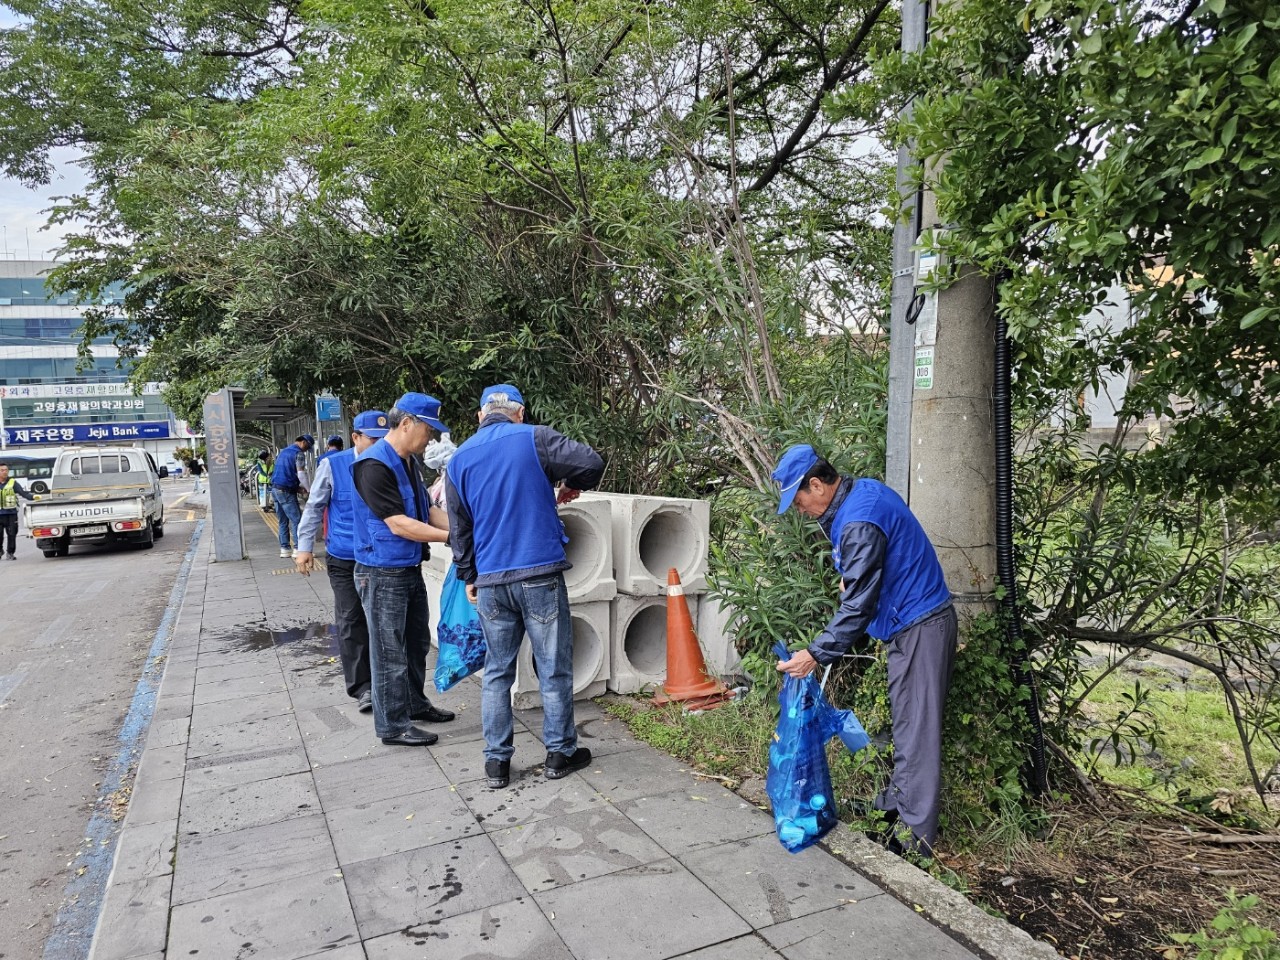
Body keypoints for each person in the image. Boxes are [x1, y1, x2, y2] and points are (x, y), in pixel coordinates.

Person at [772, 443, 957, 858]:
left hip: (920, 627)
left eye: (798, 499)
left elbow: (859, 606)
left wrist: (815, 653)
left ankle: (913, 844)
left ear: (816, 485)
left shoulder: (856, 519)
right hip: (914, 624)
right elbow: (870, 572)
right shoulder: (862, 493)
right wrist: (853, 580)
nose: (799, 509)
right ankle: (893, 811)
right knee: (907, 725)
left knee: (917, 734)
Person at [445, 383, 605, 789]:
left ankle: (496, 764)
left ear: (481, 416)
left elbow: (459, 529)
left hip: (492, 582)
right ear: (519, 412)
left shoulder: (459, 458)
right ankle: (559, 753)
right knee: (553, 669)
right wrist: (569, 483)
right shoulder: (536, 437)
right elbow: (591, 462)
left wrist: (468, 575)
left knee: (498, 673)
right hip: (538, 575)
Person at [351, 394, 455, 747]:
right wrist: (452, 537)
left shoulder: (408, 462)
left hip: (408, 568)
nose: (431, 438)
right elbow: (399, 524)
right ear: (407, 423)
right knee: (389, 651)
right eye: (428, 429)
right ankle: (393, 725)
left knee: (416, 644)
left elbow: (426, 511)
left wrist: (463, 528)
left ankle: (414, 703)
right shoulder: (372, 466)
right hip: (381, 573)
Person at [295, 412, 388, 713]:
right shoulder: (333, 465)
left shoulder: (393, 462)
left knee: (385, 621)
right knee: (351, 619)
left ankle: (388, 684)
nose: (380, 445)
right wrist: (304, 548)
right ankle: (363, 688)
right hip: (345, 558)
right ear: (356, 438)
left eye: (384, 439)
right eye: (373, 439)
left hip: (381, 558)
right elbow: (313, 508)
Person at [271, 434, 313, 558]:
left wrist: (297, 488)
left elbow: (284, 473)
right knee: (298, 520)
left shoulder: (283, 452)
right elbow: (300, 474)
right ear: (304, 442)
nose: (306, 450)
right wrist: (308, 489)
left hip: (275, 489)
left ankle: (285, 549)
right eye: (308, 447)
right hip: (285, 492)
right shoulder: (298, 453)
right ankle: (299, 549)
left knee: (283, 520)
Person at [0, 463, 34, 560]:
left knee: (12, 534)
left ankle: (10, 553)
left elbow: (22, 493)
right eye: (2, 470)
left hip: (11, 514)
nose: (5, 472)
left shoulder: (12, 482)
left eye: (6, 470)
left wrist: (32, 497)